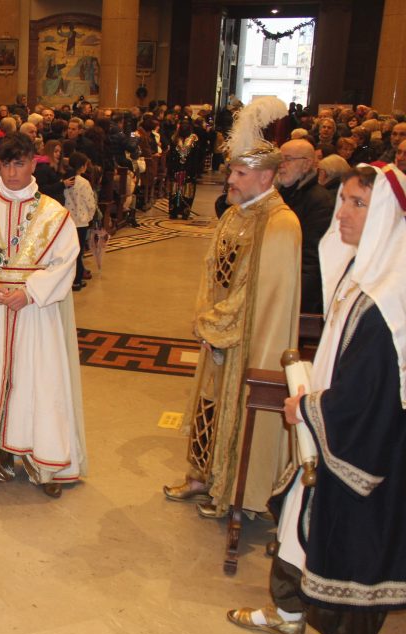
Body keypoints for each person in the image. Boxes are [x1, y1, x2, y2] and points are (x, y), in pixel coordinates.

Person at [228, 164, 406, 634]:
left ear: (387, 217)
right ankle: (288, 614)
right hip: (325, 421)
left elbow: (370, 394)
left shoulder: (392, 295)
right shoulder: (363, 269)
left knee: (348, 540)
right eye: (345, 200)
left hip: (358, 446)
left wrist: (306, 409)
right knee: (297, 522)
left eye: (358, 205)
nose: (343, 214)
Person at [163, 107, 302, 517]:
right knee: (208, 403)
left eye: (240, 175)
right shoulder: (235, 215)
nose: (230, 181)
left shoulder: (280, 223)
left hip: (247, 341)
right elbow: (212, 274)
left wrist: (216, 324)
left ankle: (232, 490)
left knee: (234, 410)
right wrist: (205, 318)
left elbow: (257, 293)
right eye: (232, 173)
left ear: (265, 177)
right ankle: (201, 477)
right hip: (217, 334)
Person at [0, 133, 87, 498]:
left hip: (36, 314)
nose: (11, 172)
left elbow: (65, 263)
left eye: (19, 163)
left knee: (37, 382)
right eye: (5, 164)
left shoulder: (55, 215)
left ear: (32, 164)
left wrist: (31, 292)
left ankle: (45, 463)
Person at [276, 139, 336, 314]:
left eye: (288, 159)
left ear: (307, 164)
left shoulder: (320, 201)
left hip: (296, 294)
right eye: (279, 159)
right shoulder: (279, 193)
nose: (281, 165)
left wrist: (293, 303)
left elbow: (312, 260)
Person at [61, 152, 97, 290]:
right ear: (82, 167)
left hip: (67, 219)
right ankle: (76, 279)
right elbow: (90, 202)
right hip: (81, 221)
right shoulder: (84, 183)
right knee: (78, 250)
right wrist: (91, 215)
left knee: (68, 250)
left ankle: (69, 279)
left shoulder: (64, 180)